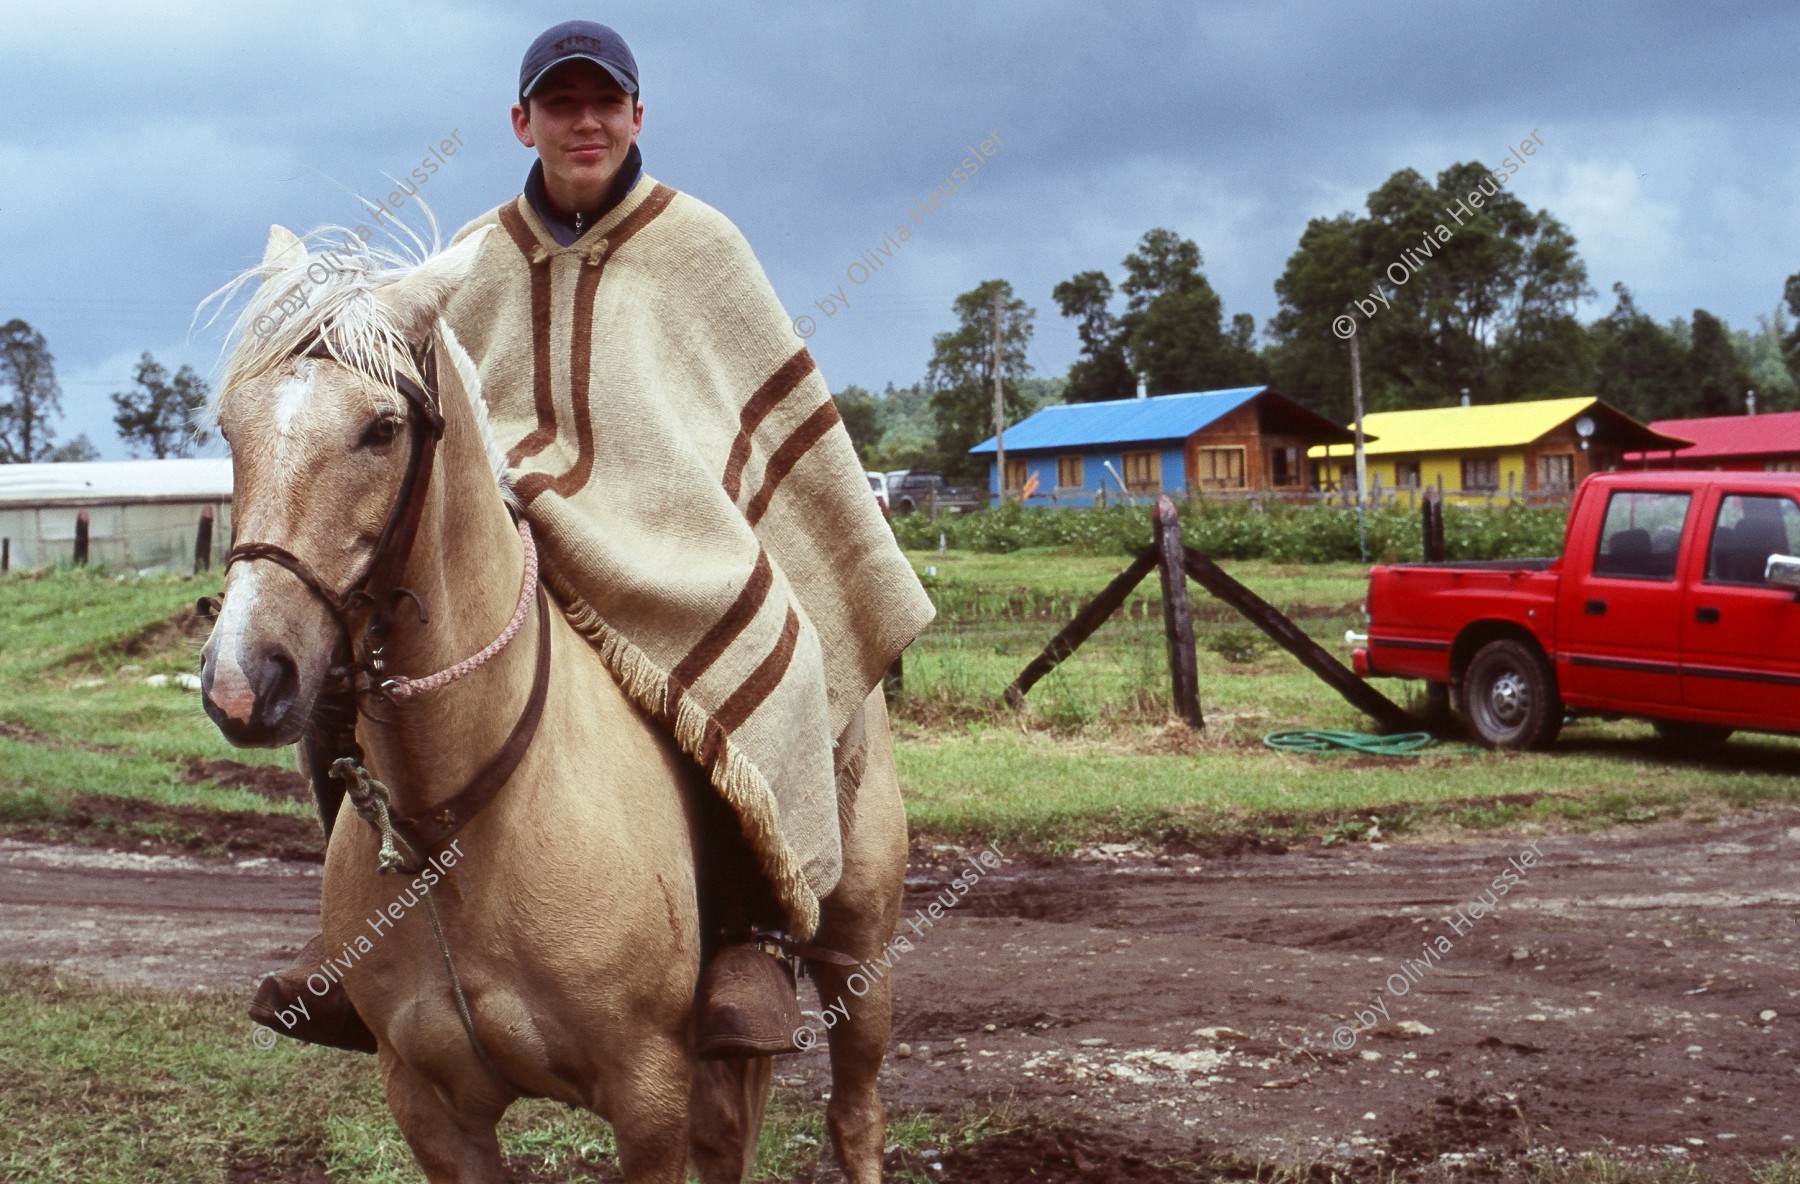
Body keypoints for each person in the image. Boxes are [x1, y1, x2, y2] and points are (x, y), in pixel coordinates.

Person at [251, 20, 932, 1060]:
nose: (585, 122)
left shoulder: (702, 245)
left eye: (604, 102)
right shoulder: (469, 264)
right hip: (516, 538)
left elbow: (771, 418)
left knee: (778, 666)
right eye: (560, 105)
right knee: (339, 681)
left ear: (637, 115)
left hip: (677, 545)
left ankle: (750, 935)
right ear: (521, 122)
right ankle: (360, 934)